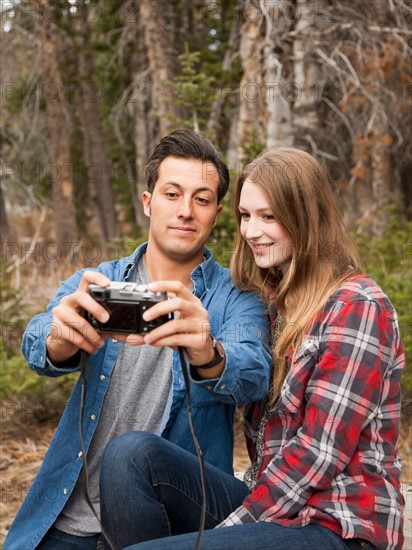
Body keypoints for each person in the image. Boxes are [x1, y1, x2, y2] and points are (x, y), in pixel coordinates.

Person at [99, 147, 405, 550]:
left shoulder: (357, 305)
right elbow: (242, 369)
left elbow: (319, 454)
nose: (252, 231)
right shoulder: (276, 304)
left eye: (269, 216)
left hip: (339, 523)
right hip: (281, 510)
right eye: (246, 216)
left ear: (304, 217)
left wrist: (227, 531)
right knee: (130, 454)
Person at [4, 129, 272, 550]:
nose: (185, 211)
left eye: (201, 199)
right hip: (69, 513)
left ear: (216, 214)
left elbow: (254, 372)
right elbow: (37, 340)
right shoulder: (100, 281)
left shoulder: (234, 297)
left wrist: (208, 351)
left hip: (163, 522)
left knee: (133, 456)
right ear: (148, 202)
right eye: (171, 194)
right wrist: (59, 339)